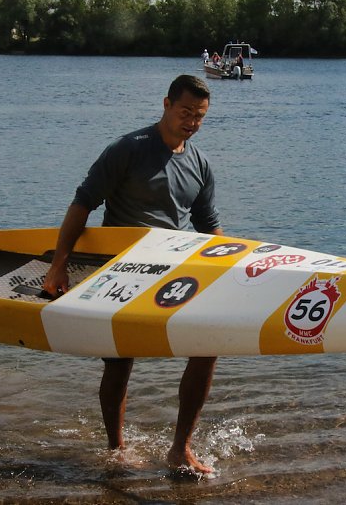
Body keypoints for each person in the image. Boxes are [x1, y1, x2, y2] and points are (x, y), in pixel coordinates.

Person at [43, 74, 223, 474]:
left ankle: (180, 449)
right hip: (122, 269)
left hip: (173, 267)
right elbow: (83, 202)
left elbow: (208, 224)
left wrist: (231, 269)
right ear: (166, 104)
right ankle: (116, 448)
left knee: (209, 342)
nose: (192, 121)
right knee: (120, 362)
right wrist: (59, 264)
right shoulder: (129, 149)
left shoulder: (199, 164)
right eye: (186, 111)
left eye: (200, 115)